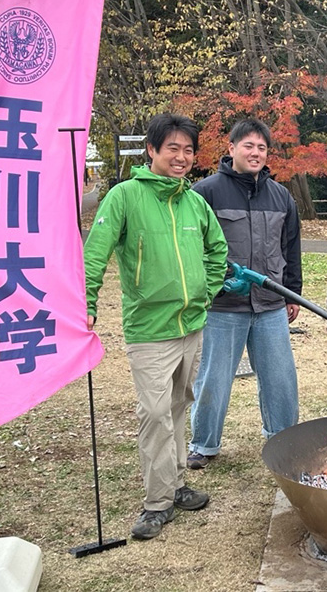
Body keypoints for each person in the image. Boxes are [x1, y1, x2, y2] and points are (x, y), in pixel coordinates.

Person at [83, 113, 228, 540]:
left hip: (192, 325)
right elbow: (96, 251)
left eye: (188, 150)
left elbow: (217, 250)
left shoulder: (193, 202)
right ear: (152, 150)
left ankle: (177, 483)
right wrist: (86, 301)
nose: (181, 157)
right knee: (154, 415)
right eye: (172, 149)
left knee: (179, 406)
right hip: (150, 330)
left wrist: (205, 293)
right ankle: (157, 502)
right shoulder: (125, 196)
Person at [187, 119, 302, 470]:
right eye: (248, 146)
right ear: (231, 148)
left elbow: (291, 247)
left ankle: (284, 440)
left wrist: (292, 293)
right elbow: (193, 248)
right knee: (213, 377)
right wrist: (210, 287)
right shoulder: (205, 192)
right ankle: (203, 444)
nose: (255, 153)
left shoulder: (281, 196)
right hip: (223, 306)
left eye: (262, 148)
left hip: (270, 304)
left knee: (280, 378)